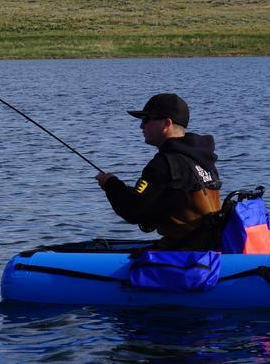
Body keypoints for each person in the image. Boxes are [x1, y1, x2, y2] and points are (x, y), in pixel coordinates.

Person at [95, 93, 223, 250]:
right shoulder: (204, 160)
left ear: (166, 123)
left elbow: (133, 210)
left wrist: (111, 185)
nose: (141, 126)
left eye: (146, 120)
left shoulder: (164, 164)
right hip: (211, 248)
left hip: (183, 255)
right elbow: (163, 202)